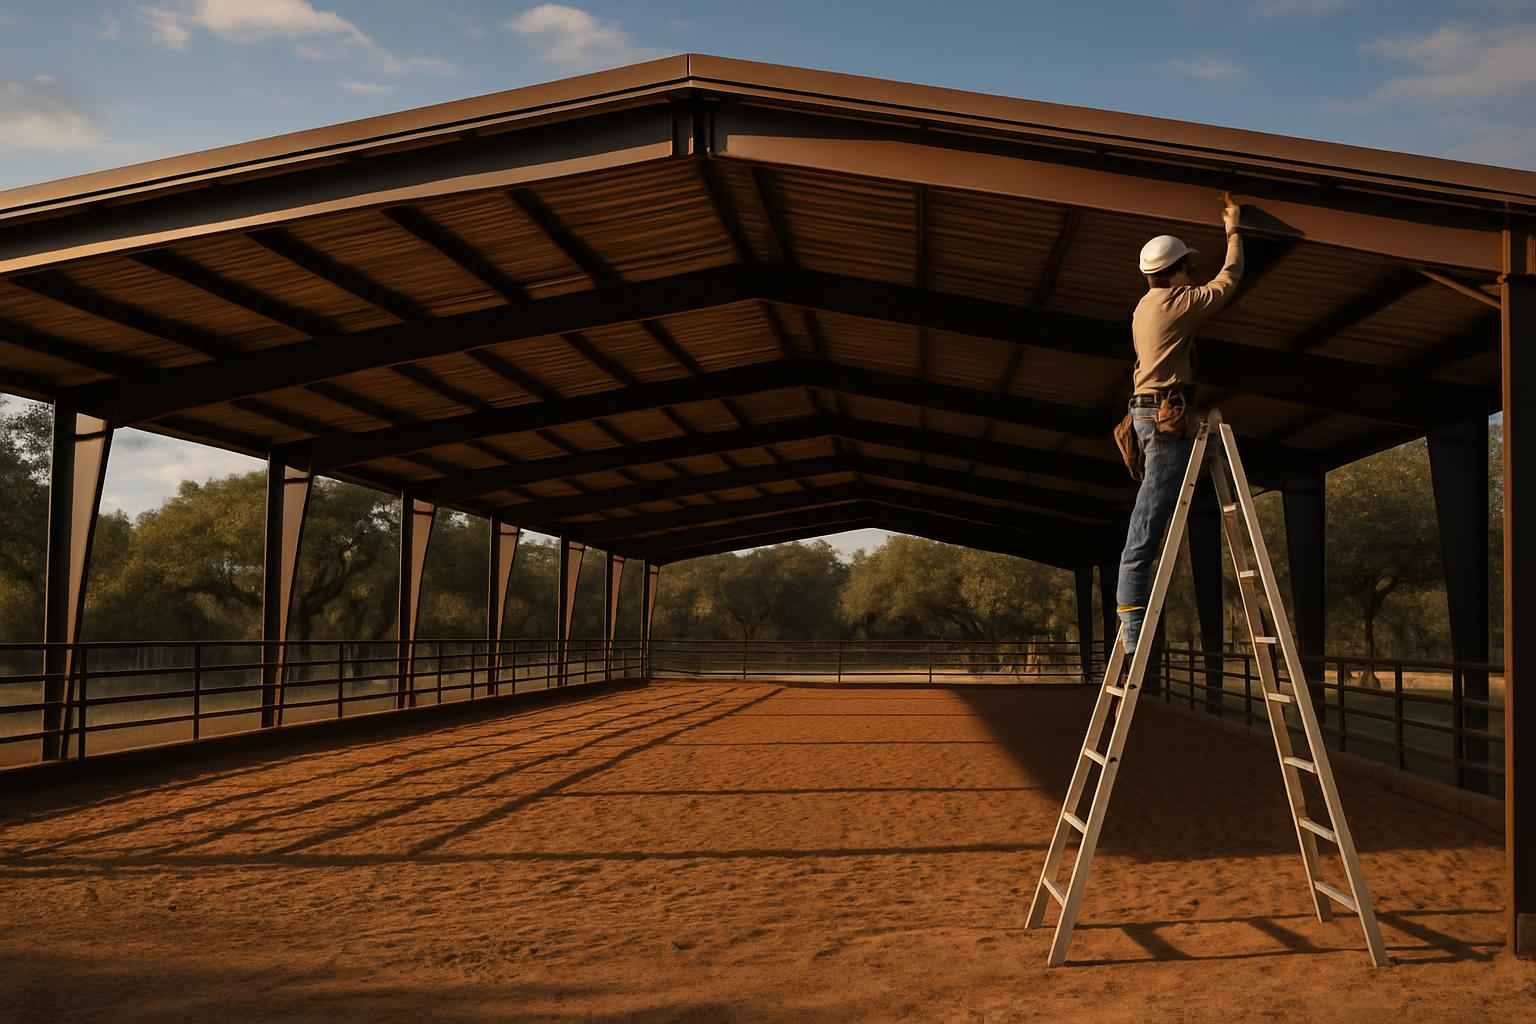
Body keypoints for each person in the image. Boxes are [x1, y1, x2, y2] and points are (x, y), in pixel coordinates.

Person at [1116, 200, 1244, 655]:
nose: (1191, 275)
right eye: (1188, 268)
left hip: (1150, 411)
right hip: (1161, 414)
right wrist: (1233, 230)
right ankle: (1133, 634)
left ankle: (1132, 623)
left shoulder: (1143, 307)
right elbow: (1228, 281)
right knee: (1147, 524)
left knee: (1152, 514)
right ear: (1176, 271)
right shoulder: (1178, 303)